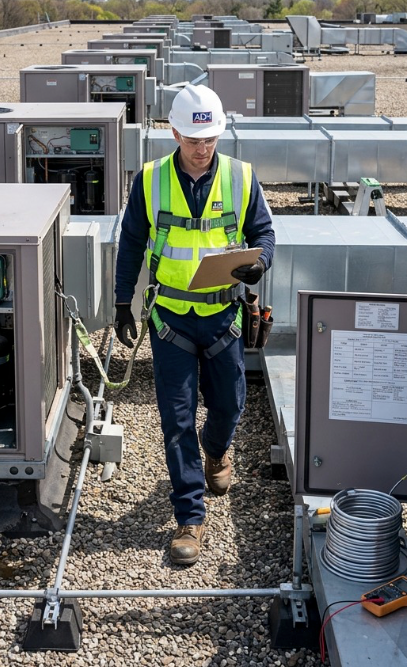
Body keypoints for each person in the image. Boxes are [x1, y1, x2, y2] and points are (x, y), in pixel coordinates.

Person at [114, 84, 275, 565]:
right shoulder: (149, 180)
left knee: (229, 403)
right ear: (174, 132)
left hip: (223, 316)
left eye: (209, 140)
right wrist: (123, 302)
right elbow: (130, 245)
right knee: (177, 420)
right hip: (171, 320)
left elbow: (264, 233)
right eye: (193, 140)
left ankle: (218, 448)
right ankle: (190, 517)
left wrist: (260, 263)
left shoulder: (243, 178)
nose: (202, 149)